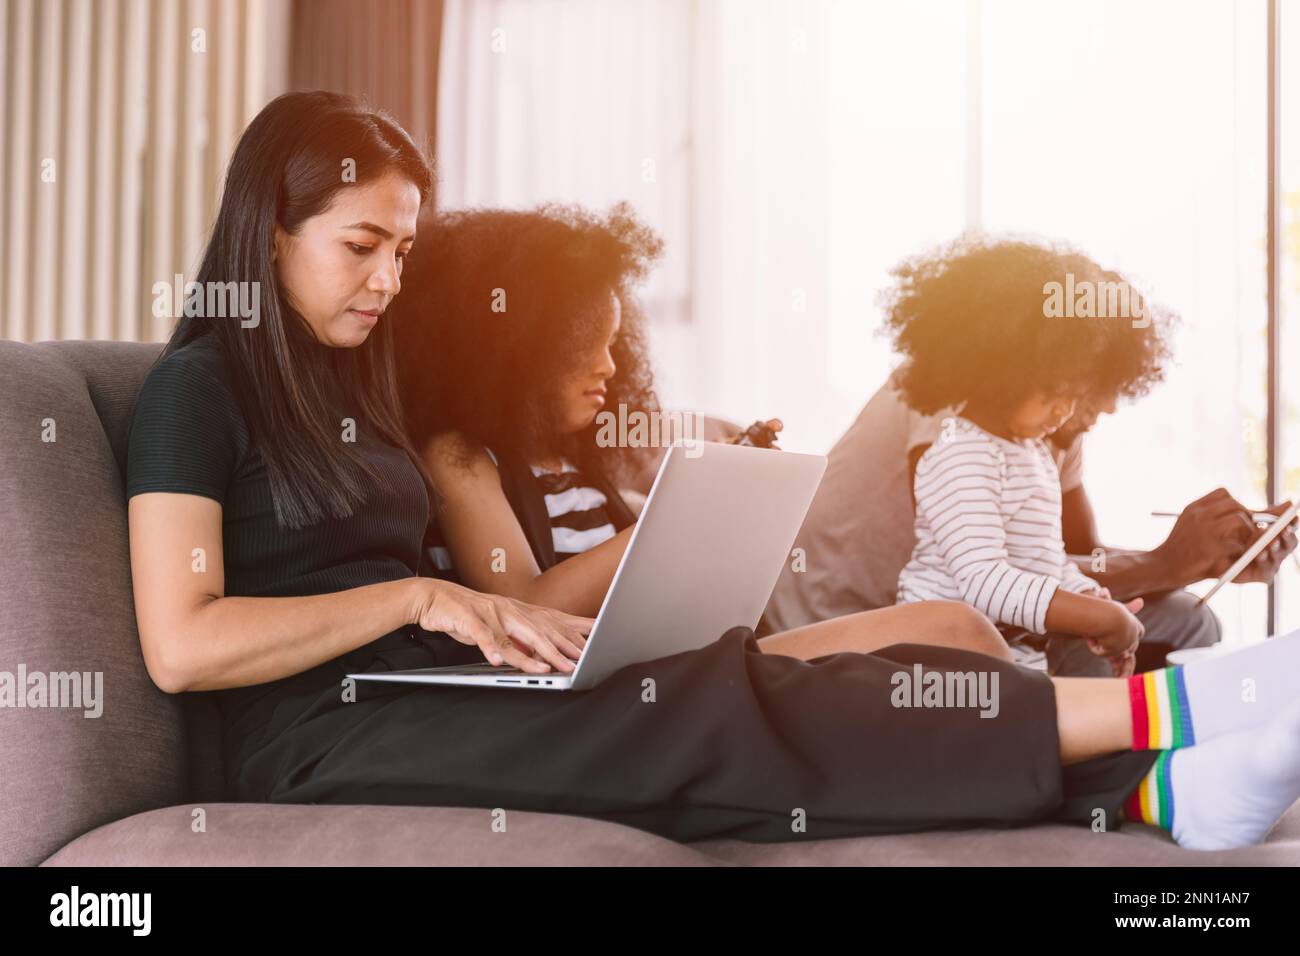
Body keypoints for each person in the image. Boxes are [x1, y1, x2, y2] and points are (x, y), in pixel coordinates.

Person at [125, 91, 1300, 850]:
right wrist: (422, 594)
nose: (386, 280)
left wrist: (469, 624)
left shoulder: (355, 392)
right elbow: (181, 643)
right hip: (318, 735)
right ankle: (1182, 705)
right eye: (360, 247)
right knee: (704, 703)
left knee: (746, 683)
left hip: (427, 688)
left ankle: (1146, 787)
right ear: (267, 235)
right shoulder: (199, 387)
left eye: (406, 251)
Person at [391, 203, 1011, 662]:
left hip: (688, 663)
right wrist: (675, 514)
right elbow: (526, 604)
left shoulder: (578, 462)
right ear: (513, 352)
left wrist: (722, 489)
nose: (608, 368)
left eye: (612, 345)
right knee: (955, 632)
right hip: (639, 686)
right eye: (582, 348)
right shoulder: (459, 455)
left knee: (956, 629)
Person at [762, 239, 1299, 678]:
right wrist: (1165, 564)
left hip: (996, 625)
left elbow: (1066, 559)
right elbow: (982, 575)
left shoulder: (1040, 429)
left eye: (1094, 384)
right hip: (866, 632)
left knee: (1185, 621)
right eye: (1080, 387)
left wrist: (1203, 561)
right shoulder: (959, 412)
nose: (1105, 405)